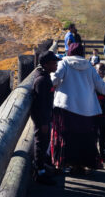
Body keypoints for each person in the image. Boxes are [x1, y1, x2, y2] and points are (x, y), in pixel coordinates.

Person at [50, 42, 105, 174]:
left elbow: (54, 80)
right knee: (83, 139)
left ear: (69, 52)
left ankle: (63, 164)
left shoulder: (64, 63)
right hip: (86, 110)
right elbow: (102, 88)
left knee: (66, 138)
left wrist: (46, 76)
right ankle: (81, 165)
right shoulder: (89, 66)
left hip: (66, 107)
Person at [31, 51, 61, 186]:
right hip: (42, 120)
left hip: (45, 117)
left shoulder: (45, 76)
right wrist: (43, 122)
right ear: (46, 64)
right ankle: (39, 172)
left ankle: (42, 167)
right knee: (40, 143)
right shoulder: (42, 80)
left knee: (43, 143)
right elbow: (42, 103)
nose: (56, 65)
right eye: (54, 63)